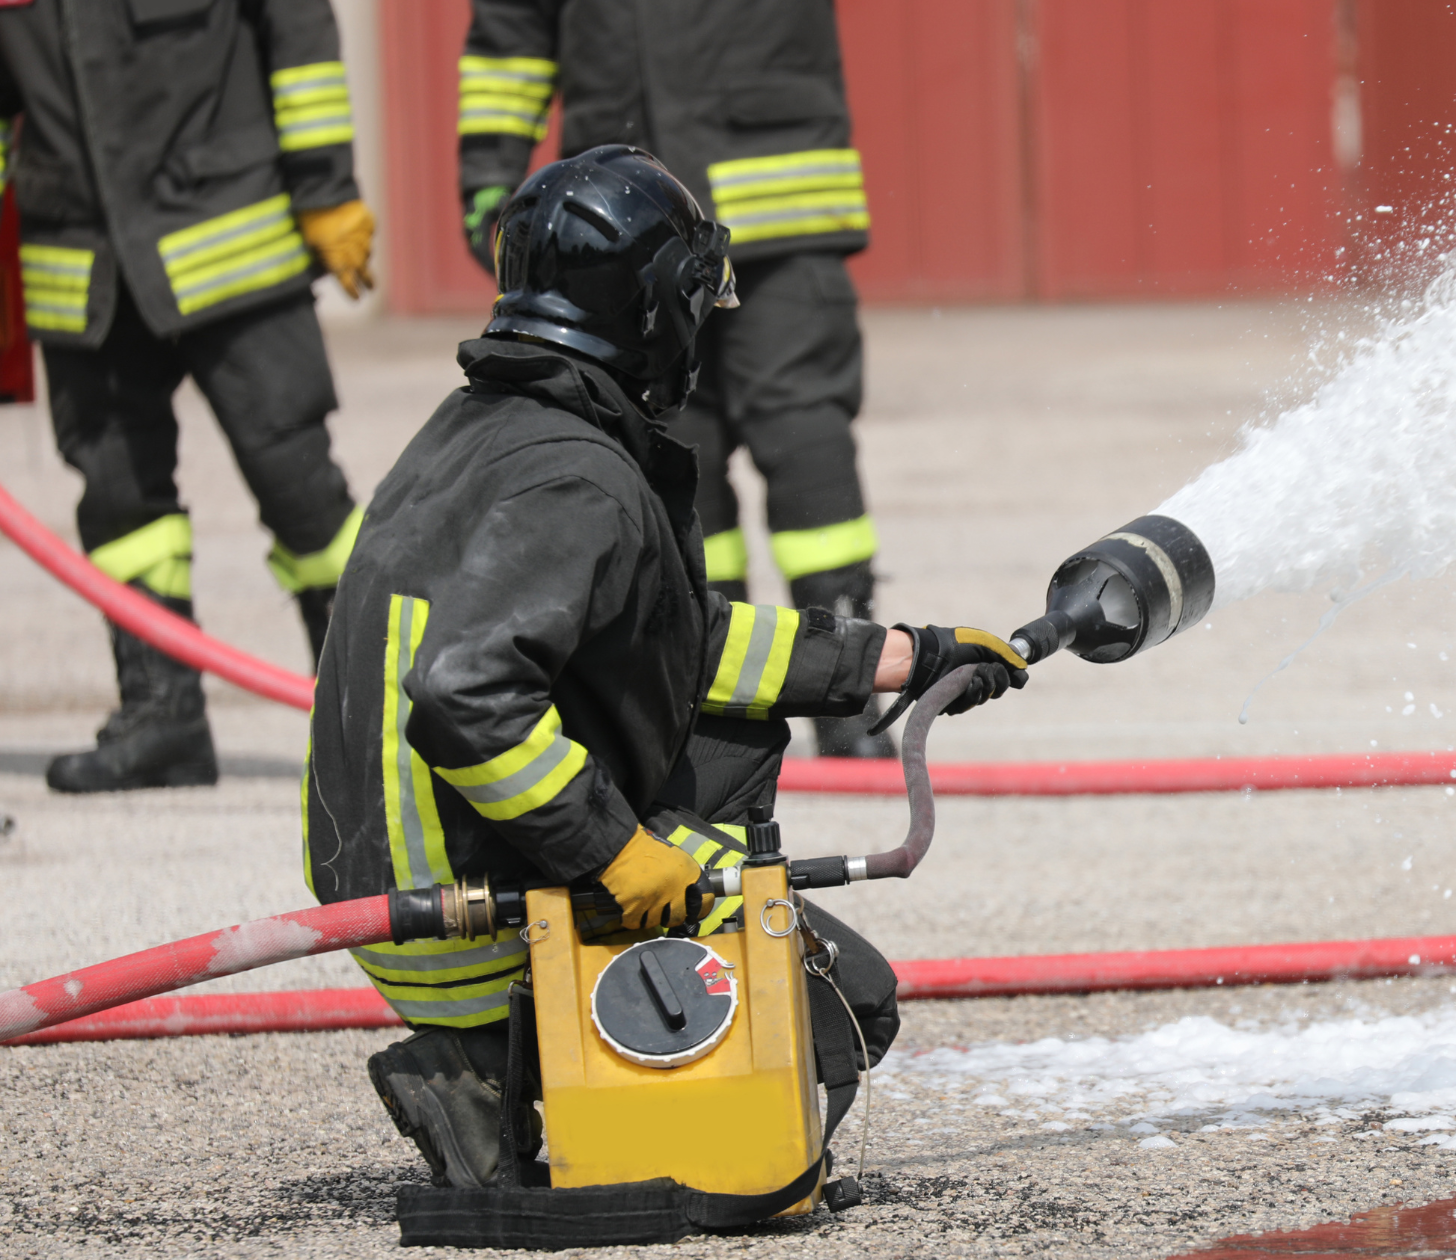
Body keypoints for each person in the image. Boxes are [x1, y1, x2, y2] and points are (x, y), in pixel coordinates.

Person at [299, 147, 1025, 1187]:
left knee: (726, 751)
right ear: (649, 307)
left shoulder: (488, 428)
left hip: (402, 880)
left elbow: (669, 639)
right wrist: (610, 853)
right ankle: (487, 1065)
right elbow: (467, 702)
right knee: (843, 1009)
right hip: (466, 913)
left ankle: (511, 1054)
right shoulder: (574, 478)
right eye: (694, 296)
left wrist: (899, 658)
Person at [456, 0, 893, 758]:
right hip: (628, 212)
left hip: (771, 188)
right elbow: (512, 37)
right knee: (670, 439)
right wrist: (492, 179)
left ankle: (844, 684)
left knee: (800, 425)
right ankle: (715, 690)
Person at [0, 0, 376, 793]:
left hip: (229, 234)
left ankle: (365, 722)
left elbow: (299, 32)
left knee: (299, 485)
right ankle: (161, 716)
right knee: (118, 500)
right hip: (82, 256)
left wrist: (325, 187)